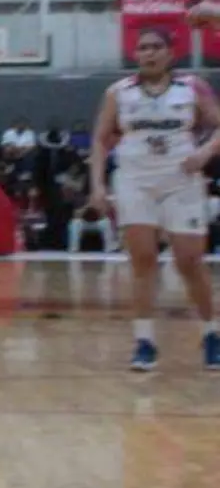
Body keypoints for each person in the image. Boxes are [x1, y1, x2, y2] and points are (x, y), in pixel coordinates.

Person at [88, 27, 220, 371]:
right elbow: (101, 140)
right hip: (135, 182)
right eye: (143, 48)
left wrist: (205, 152)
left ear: (169, 53)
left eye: (155, 47)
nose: (148, 53)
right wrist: (98, 186)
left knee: (190, 260)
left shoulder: (193, 87)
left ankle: (211, 334)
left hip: (181, 180)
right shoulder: (118, 92)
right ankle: (144, 341)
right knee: (143, 260)